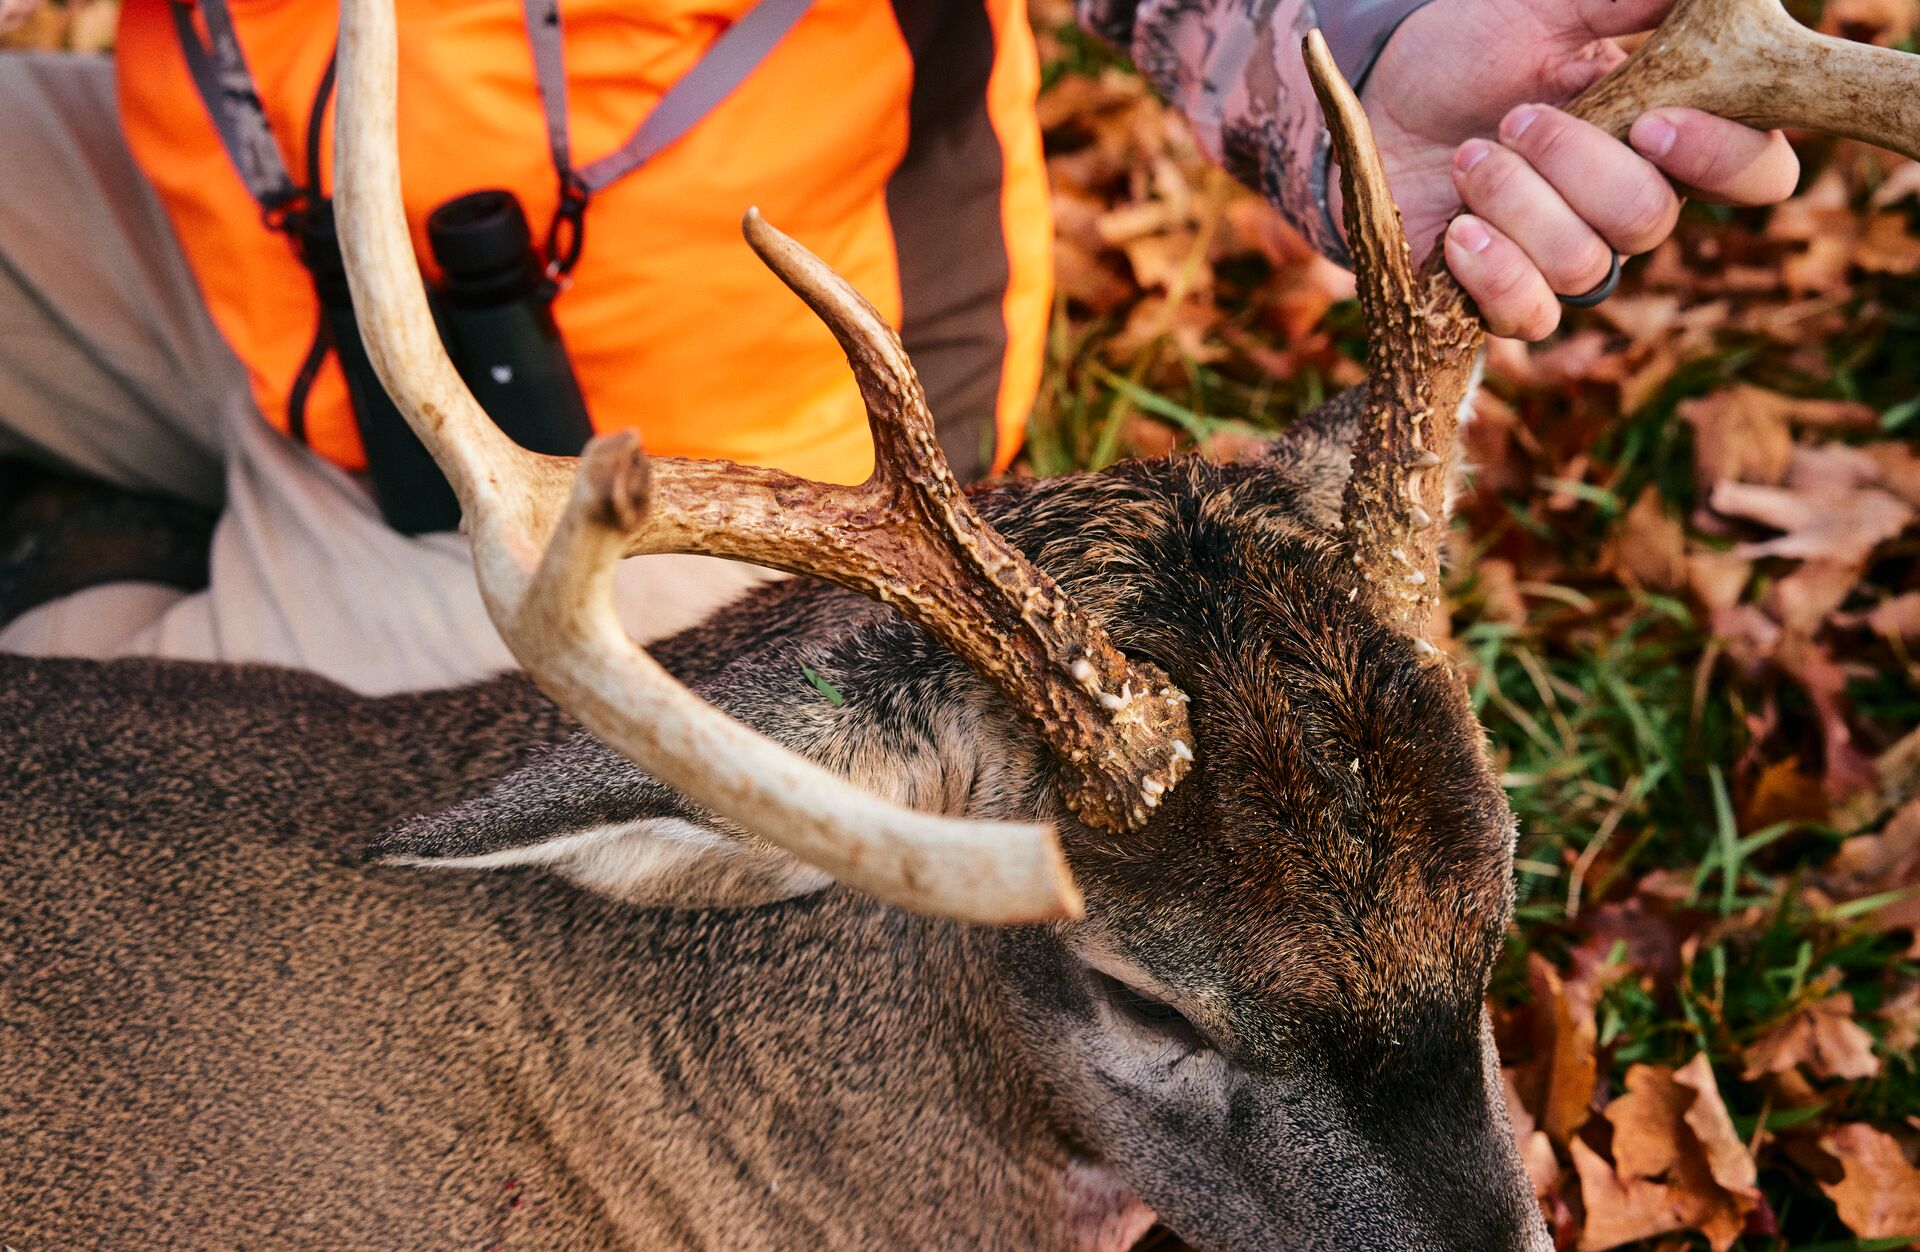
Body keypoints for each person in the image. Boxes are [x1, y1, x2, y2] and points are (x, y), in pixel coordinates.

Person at [0, 0, 1798, 692]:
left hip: (684, 486)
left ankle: (85, 555)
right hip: (239, 251)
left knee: (126, 823)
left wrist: (1372, 45)